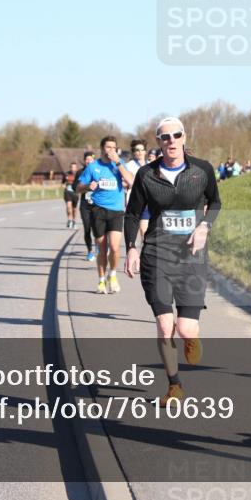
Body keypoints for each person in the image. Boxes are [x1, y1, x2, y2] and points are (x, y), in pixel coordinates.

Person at [124, 117, 221, 406]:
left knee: (185, 328)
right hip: (157, 255)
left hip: (191, 257)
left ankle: (192, 338)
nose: (171, 141)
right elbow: (132, 214)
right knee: (165, 326)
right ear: (158, 142)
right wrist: (131, 247)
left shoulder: (201, 170)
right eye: (164, 137)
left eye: (176, 135)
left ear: (183, 137)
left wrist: (205, 227)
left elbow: (215, 203)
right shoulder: (146, 175)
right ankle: (174, 385)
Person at [78, 136, 134, 294]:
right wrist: (88, 186)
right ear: (102, 149)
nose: (111, 150)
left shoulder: (119, 164)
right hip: (98, 210)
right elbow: (78, 188)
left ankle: (113, 274)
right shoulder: (93, 167)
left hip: (116, 210)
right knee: (102, 248)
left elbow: (131, 181)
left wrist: (117, 162)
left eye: (113, 147)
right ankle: (101, 280)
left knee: (115, 247)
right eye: (108, 147)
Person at [74, 152, 96, 262]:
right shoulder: (80, 172)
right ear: (84, 161)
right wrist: (86, 187)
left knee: (98, 228)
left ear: (94, 160)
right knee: (87, 228)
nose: (88, 161)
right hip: (85, 204)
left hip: (98, 203)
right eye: (87, 159)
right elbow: (75, 188)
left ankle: (99, 246)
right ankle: (90, 251)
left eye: (90, 159)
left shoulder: (99, 171)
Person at [63, 162, 79, 229]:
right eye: (72, 167)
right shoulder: (66, 174)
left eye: (74, 167)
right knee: (68, 207)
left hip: (75, 193)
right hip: (68, 193)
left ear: (76, 168)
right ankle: (69, 220)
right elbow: (63, 182)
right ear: (70, 168)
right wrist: (64, 187)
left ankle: (74, 221)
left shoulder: (79, 175)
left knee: (74, 209)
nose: (73, 169)